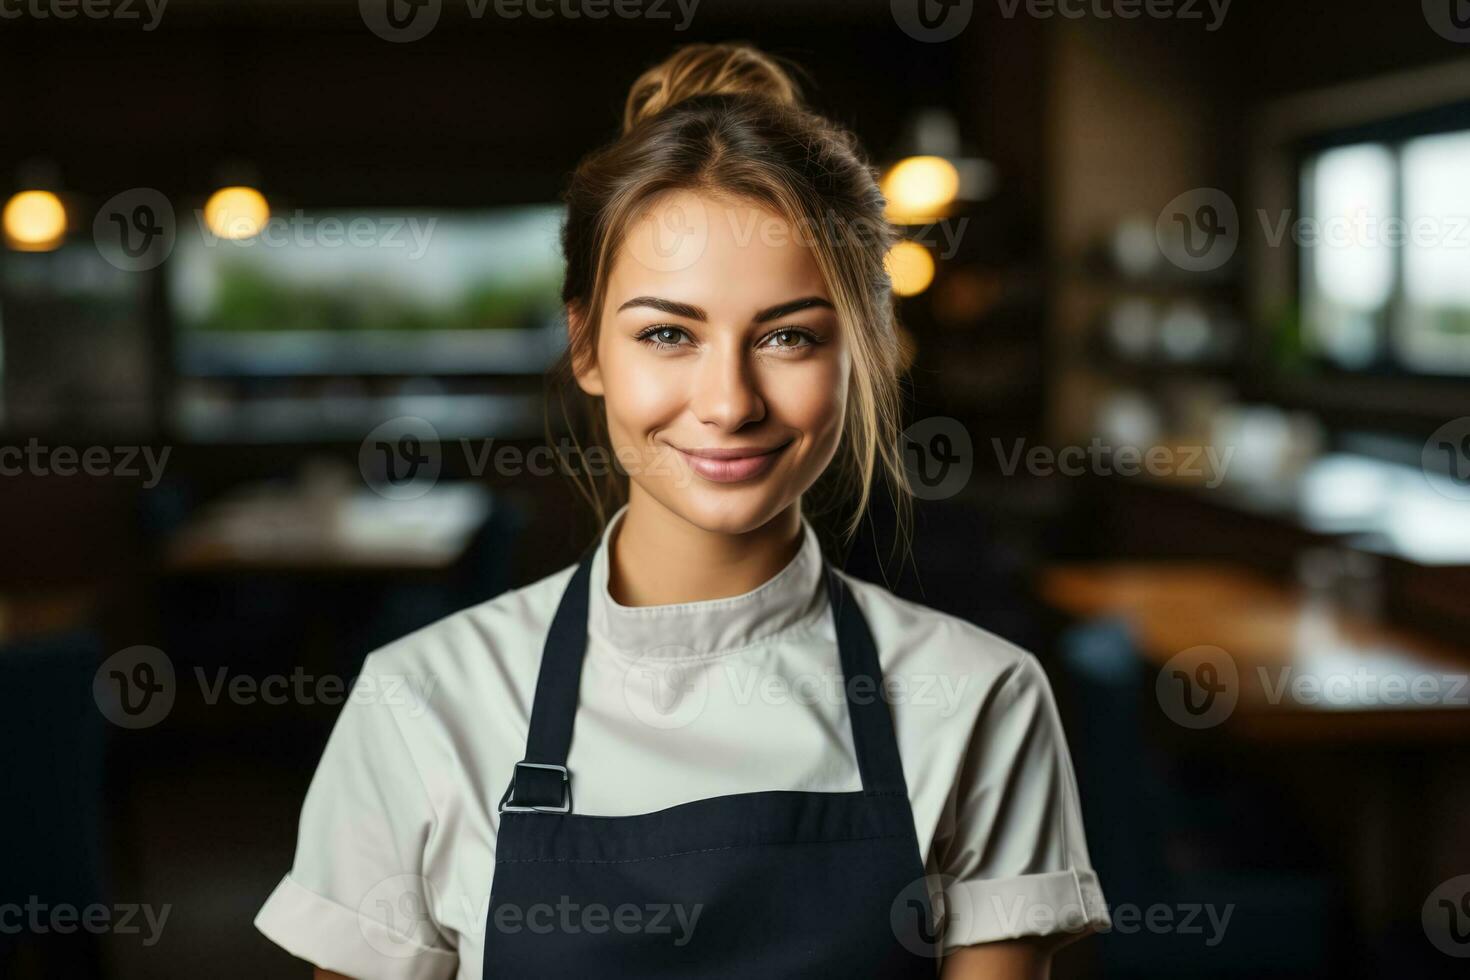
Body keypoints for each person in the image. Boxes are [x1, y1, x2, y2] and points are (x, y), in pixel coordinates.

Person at [255, 41, 1109, 979]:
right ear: (586, 347)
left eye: (788, 335)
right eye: (668, 332)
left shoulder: (982, 700)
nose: (729, 401)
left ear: (861, 348)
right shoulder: (422, 703)